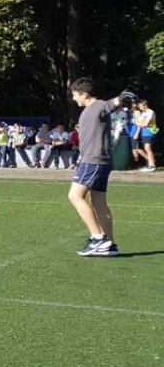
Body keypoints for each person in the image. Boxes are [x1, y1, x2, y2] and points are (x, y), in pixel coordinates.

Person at [65, 78, 136, 257]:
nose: (74, 99)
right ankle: (110, 245)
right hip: (97, 160)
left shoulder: (97, 106)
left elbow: (112, 104)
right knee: (98, 201)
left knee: (74, 196)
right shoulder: (89, 110)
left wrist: (122, 97)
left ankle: (98, 239)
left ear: (84, 94)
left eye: (75, 95)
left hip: (93, 160)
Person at [131, 98, 156, 172]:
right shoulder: (144, 113)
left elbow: (145, 124)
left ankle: (152, 166)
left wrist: (141, 124)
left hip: (149, 132)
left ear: (145, 105)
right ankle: (150, 165)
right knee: (147, 148)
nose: (139, 108)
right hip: (144, 133)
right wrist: (141, 124)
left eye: (141, 106)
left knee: (147, 148)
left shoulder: (150, 112)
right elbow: (138, 123)